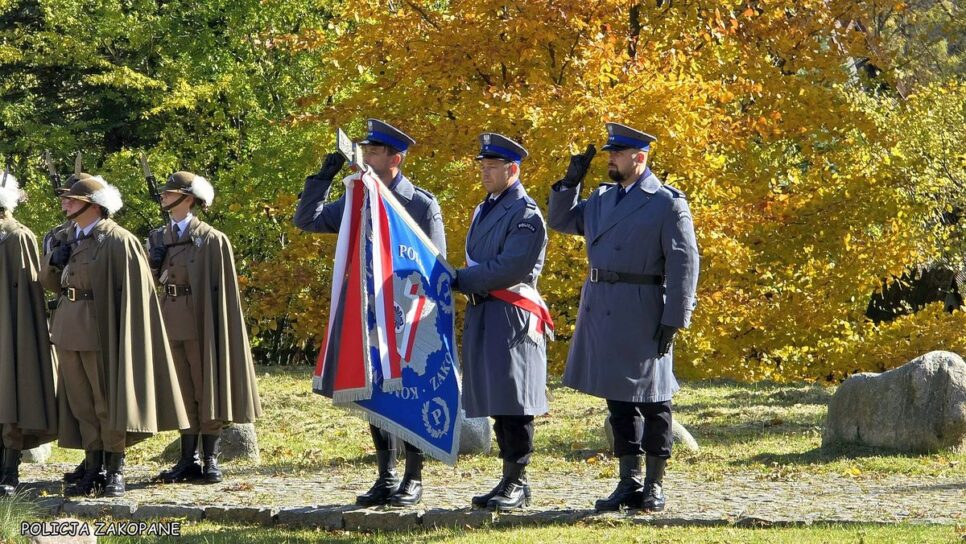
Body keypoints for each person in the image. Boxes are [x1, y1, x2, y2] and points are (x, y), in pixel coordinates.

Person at [546, 123, 699, 512]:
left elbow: (685, 263)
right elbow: (562, 223)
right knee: (618, 401)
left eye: (617, 153)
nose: (610, 159)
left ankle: (654, 483)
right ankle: (627, 480)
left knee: (654, 399)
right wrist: (569, 183)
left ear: (639, 158)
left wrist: (675, 317)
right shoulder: (600, 199)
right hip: (602, 305)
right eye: (610, 153)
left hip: (643, 306)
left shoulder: (666, 202)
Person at [293, 119, 446, 507]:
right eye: (365, 150)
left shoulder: (420, 203)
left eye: (374, 151)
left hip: (408, 313)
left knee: (407, 391)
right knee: (374, 391)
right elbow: (307, 220)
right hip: (367, 309)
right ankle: (386, 474)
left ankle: (413, 476)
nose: (366, 156)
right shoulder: (356, 197)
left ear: (396, 158)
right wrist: (323, 177)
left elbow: (435, 263)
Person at [40, 175, 188, 497]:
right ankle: (92, 466)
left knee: (106, 404)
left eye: (72, 199)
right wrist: (53, 261)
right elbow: (50, 285)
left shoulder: (119, 241)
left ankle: (115, 469)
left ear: (92, 205)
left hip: (101, 330)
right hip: (67, 328)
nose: (64, 202)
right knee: (81, 405)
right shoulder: (64, 236)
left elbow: (137, 293)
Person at [451, 133, 550, 511]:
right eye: (482, 166)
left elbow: (512, 267)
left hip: (512, 314)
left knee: (516, 400)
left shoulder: (525, 214)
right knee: (496, 397)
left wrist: (460, 279)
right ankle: (507, 479)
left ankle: (518, 480)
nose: (484, 173)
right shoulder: (485, 209)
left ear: (513, 169)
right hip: (485, 312)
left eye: (492, 167)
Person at [149, 171, 262, 485]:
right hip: (169, 320)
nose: (163, 197)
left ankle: (210, 458)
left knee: (205, 388)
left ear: (188, 199)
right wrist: (153, 263)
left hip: (201, 323)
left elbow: (221, 293)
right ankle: (187, 459)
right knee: (182, 391)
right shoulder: (159, 237)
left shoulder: (212, 239)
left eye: (169, 194)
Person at [0, 173, 58, 496]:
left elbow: (25, 295)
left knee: (11, 396)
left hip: (11, 328)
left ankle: (9, 470)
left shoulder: (18, 237)